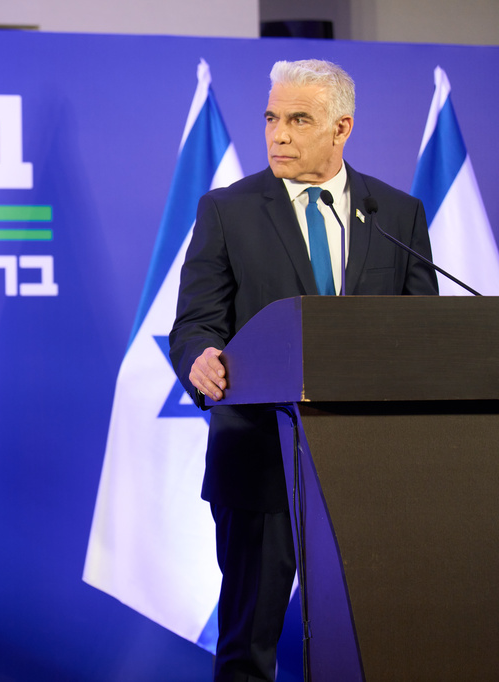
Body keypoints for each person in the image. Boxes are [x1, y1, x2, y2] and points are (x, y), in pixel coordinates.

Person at [168, 59, 438, 681]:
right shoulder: (228, 211)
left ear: (341, 128)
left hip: (368, 472)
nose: (278, 135)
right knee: (248, 648)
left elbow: (426, 334)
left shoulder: (395, 215)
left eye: (298, 119)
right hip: (259, 461)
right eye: (271, 118)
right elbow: (195, 325)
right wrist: (199, 360)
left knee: (368, 647)